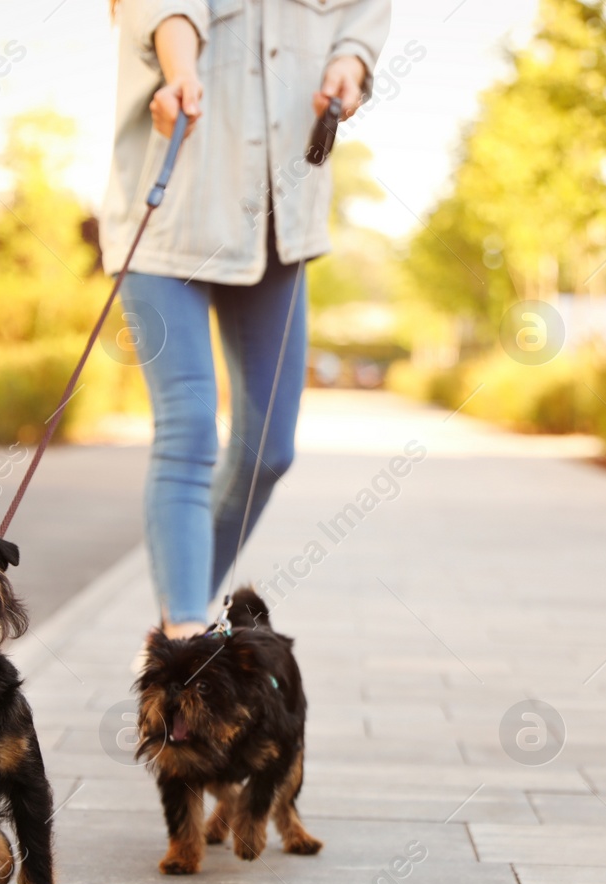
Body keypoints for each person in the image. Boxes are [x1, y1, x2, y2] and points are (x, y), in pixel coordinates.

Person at [103, 0, 391, 639]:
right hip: (172, 216)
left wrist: (351, 62)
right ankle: (183, 637)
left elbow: (362, 17)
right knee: (189, 429)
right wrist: (180, 69)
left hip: (278, 223)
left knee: (269, 449)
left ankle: (182, 625)